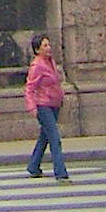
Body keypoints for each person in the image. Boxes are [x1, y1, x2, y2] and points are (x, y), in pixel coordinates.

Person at [24, 33, 70, 181]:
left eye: (48, 45)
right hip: (43, 105)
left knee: (45, 136)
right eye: (45, 45)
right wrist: (32, 107)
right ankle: (60, 172)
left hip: (53, 104)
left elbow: (55, 83)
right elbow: (29, 88)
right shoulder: (37, 66)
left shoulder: (50, 62)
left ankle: (33, 165)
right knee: (54, 138)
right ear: (37, 50)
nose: (49, 48)